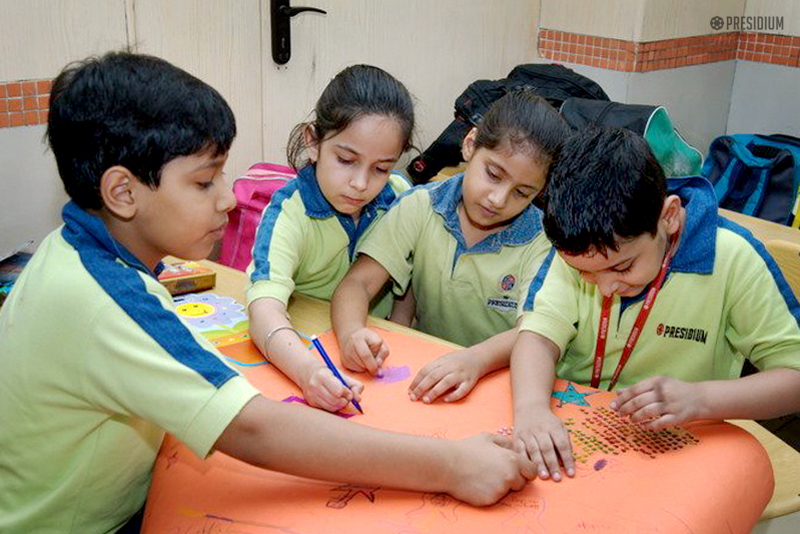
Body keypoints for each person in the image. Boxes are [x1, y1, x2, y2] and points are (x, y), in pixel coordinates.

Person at [0, 51, 535, 534]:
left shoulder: (74, 254)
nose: (230, 200)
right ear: (123, 192)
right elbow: (255, 430)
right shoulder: (107, 301)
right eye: (204, 182)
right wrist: (452, 464)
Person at [510, 127, 800, 483]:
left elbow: (795, 378)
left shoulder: (732, 258)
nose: (606, 287)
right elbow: (537, 337)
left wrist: (700, 399)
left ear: (669, 217)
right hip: (577, 430)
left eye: (622, 267)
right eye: (584, 273)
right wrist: (532, 409)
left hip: (679, 446)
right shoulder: (582, 244)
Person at [331, 92, 570, 404]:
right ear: (470, 144)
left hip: (504, 386)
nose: (498, 199)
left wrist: (476, 360)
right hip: (426, 373)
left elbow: (535, 335)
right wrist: (351, 334)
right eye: (493, 174)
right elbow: (358, 283)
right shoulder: (421, 206)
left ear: (540, 191)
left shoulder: (543, 244)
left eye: (522, 193)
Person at [246, 65, 417, 413]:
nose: (360, 184)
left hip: (379, 360)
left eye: (381, 168)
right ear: (313, 142)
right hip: (307, 354)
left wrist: (396, 335)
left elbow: (412, 280)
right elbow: (264, 311)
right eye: (346, 160)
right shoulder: (289, 212)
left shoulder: (400, 194)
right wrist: (307, 371)